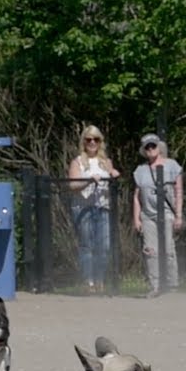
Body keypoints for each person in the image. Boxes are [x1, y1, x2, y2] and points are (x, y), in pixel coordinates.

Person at [67, 125, 120, 294]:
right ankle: (88, 282)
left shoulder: (106, 162)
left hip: (102, 207)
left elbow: (112, 174)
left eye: (95, 139)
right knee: (87, 246)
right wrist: (89, 180)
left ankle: (99, 280)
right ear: (83, 141)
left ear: (100, 142)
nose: (92, 142)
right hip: (84, 208)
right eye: (88, 139)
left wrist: (113, 173)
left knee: (103, 246)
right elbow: (73, 184)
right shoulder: (77, 162)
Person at [131, 133, 185, 297]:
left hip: (168, 213)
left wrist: (179, 215)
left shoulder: (172, 165)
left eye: (153, 146)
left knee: (168, 249)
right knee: (150, 250)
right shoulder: (140, 171)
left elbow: (179, 191)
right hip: (148, 216)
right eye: (147, 147)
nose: (150, 149)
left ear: (158, 147)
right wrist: (136, 218)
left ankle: (172, 285)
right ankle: (155, 285)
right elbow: (136, 196)